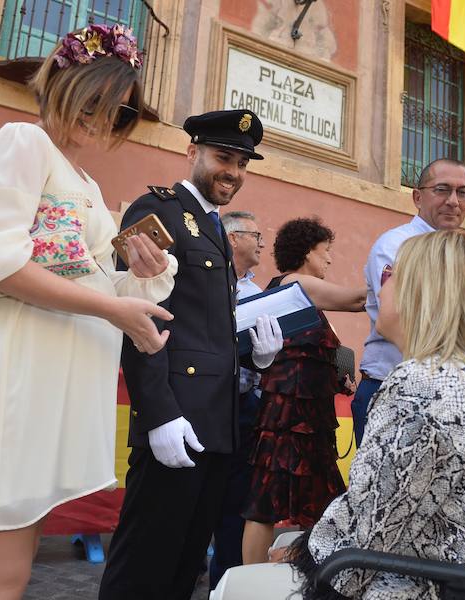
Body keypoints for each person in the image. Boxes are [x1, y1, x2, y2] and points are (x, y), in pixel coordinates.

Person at [0, 25, 178, 600]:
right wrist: (115, 309)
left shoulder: (86, 182)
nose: (101, 119)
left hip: (43, 390)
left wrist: (140, 277)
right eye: (95, 101)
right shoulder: (23, 143)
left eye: (118, 112)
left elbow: (87, 281)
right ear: (64, 83)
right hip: (10, 380)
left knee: (15, 569)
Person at [284, 229, 465, 600]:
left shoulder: (426, 384)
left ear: (422, 293)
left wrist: (302, 556)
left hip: (453, 586)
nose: (379, 289)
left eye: (390, 275)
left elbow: (368, 533)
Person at [99, 110, 283, 600]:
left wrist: (255, 358)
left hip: (214, 425)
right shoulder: (156, 211)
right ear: (192, 152)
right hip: (176, 420)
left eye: (242, 164)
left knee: (183, 570)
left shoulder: (214, 227)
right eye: (224, 157)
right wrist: (158, 414)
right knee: (143, 568)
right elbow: (140, 317)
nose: (234, 172)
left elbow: (203, 328)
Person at [241, 217, 366, 565]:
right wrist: (396, 278)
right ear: (309, 251)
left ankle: (307, 567)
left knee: (312, 498)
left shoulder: (292, 289)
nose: (329, 259)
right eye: (326, 252)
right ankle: (252, 577)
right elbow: (357, 300)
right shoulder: (296, 284)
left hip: (305, 413)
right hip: (290, 413)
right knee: (267, 500)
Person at [351, 158, 465, 445]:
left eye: (463, 192)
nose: (453, 201)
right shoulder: (398, 246)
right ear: (417, 197)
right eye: (442, 189)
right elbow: (397, 319)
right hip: (394, 390)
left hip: (451, 393)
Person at [209, 210, 267, 589]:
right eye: (255, 236)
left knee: (235, 508)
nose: (261, 244)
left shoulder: (259, 293)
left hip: (247, 407)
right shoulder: (210, 282)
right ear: (233, 238)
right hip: (209, 405)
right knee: (200, 500)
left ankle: (223, 585)